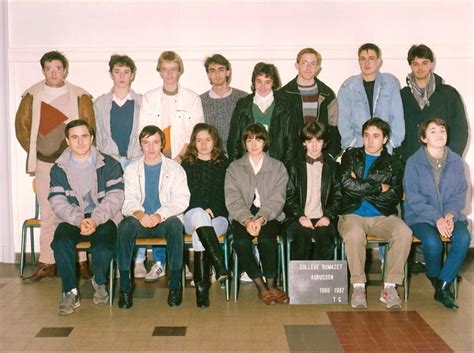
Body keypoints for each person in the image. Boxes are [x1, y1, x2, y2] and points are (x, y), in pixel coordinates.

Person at [15, 50, 95, 282]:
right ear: (43, 70)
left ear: (65, 70)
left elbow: (89, 130)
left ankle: (81, 262)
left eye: (58, 68)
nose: (53, 72)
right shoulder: (31, 95)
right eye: (49, 68)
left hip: (75, 164)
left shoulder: (80, 96)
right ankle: (47, 263)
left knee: (78, 210)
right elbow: (22, 128)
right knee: (48, 213)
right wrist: (40, 152)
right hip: (44, 163)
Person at [138, 51, 204, 279]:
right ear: (159, 71)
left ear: (179, 70)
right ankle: (158, 262)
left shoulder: (192, 98)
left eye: (173, 69)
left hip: (183, 162)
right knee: (156, 208)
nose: (168, 73)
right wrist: (161, 160)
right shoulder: (149, 98)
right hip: (155, 161)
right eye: (164, 69)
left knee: (179, 211)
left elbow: (196, 134)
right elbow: (145, 133)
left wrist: (178, 160)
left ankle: (181, 261)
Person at [49, 120, 124, 315]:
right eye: (74, 137)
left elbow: (115, 197)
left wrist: (96, 219)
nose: (80, 142)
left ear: (91, 138)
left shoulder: (110, 164)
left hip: (103, 216)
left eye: (84, 136)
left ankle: (99, 281)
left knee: (103, 245)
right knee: (60, 242)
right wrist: (78, 220)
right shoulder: (58, 168)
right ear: (67, 140)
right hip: (73, 218)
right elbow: (57, 201)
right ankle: (69, 291)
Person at [338, 118, 412, 309]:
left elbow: (394, 196)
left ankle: (389, 287)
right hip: (352, 213)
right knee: (354, 234)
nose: (370, 141)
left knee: (404, 233)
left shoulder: (394, 163)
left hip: (382, 215)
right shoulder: (350, 156)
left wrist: (360, 186)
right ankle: (358, 287)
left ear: (385, 139)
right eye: (366, 136)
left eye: (376, 136)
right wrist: (379, 187)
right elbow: (346, 186)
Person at [116, 125, 190, 309]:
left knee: (175, 227)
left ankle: (175, 287)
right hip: (140, 220)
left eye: (155, 142)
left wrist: (159, 215)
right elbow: (127, 200)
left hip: (164, 220)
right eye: (146, 143)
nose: (150, 147)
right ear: (140, 145)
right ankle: (125, 288)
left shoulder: (175, 169)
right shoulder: (131, 170)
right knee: (124, 227)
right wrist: (140, 215)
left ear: (162, 144)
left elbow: (181, 200)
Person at [403, 118, 470, 310]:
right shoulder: (413, 163)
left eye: (442, 130)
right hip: (420, 215)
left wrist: (449, 214)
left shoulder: (456, 162)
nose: (439, 134)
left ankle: (442, 285)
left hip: (449, 215)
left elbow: (459, 193)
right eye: (433, 131)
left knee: (464, 238)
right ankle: (435, 275)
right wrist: (436, 217)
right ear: (423, 138)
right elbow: (414, 198)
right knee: (432, 242)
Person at [94, 54, 150, 279]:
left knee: (138, 206)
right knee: (114, 210)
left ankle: (138, 261)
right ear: (111, 74)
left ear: (133, 75)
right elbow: (97, 136)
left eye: (126, 72)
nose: (122, 76)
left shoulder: (142, 101)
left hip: (136, 159)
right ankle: (119, 260)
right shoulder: (100, 103)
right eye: (117, 72)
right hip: (111, 161)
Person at [225, 123, 289, 305]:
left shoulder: (278, 167)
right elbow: (232, 198)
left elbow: (278, 199)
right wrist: (246, 220)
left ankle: (272, 284)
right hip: (242, 216)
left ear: (265, 142)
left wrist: (261, 219)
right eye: (249, 139)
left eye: (258, 139)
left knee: (267, 240)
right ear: (244, 143)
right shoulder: (234, 168)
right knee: (240, 242)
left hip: (270, 215)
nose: (253, 144)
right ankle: (260, 286)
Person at [181, 123, 230, 307]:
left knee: (198, 236)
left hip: (218, 218)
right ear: (194, 142)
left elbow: (227, 194)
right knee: (199, 215)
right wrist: (202, 209)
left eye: (207, 140)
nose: (203, 144)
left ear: (214, 141)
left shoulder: (224, 163)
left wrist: (214, 211)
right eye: (199, 140)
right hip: (191, 216)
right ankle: (219, 265)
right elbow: (185, 195)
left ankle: (202, 289)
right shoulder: (187, 164)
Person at [399, 44, 468, 161]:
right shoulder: (402, 96)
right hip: (409, 163)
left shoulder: (449, 94)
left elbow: (460, 129)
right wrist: (399, 157)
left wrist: (450, 159)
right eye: (415, 64)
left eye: (424, 63)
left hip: (441, 162)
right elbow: (393, 128)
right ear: (410, 65)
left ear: (431, 63)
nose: (420, 68)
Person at [285, 121, 341, 260]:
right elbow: (288, 196)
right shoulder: (293, 166)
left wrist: (328, 216)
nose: (314, 146)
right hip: (299, 217)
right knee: (300, 242)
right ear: (304, 143)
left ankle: (320, 280)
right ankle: (299, 281)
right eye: (310, 141)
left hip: (324, 218)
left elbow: (338, 197)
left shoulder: (333, 167)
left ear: (325, 142)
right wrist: (300, 216)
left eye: (319, 141)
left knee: (326, 241)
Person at [227, 62, 299, 166]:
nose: (263, 86)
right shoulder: (243, 105)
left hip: (276, 167)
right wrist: (238, 168)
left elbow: (292, 142)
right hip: (248, 166)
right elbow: (234, 141)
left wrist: (283, 169)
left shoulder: (285, 106)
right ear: (253, 82)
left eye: (267, 82)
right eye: (259, 81)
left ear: (273, 83)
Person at [337, 43, 404, 154]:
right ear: (359, 61)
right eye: (363, 59)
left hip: (385, 149)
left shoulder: (390, 84)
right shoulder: (348, 87)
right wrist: (352, 145)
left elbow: (397, 118)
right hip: (357, 148)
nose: (366, 63)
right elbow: (343, 121)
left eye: (371, 58)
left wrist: (390, 143)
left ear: (379, 61)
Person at [282, 48, 341, 157]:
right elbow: (280, 131)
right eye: (304, 63)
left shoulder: (327, 95)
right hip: (292, 158)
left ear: (318, 68)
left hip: (320, 157)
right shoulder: (283, 95)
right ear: (297, 65)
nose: (308, 67)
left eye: (313, 64)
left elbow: (334, 130)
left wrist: (330, 155)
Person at [200, 54, 247, 152]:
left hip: (238, 154)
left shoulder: (243, 98)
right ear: (208, 74)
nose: (217, 75)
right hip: (211, 155)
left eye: (221, 70)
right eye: (213, 70)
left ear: (228, 72)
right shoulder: (200, 101)